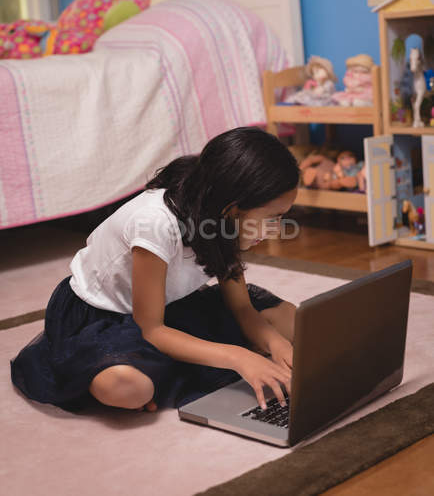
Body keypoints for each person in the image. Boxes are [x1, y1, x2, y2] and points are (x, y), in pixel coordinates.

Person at [10, 127, 300, 415]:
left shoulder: (224, 217)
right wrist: (240, 357)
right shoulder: (155, 225)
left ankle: (171, 368)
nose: (275, 230)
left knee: (294, 323)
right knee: (128, 388)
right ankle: (111, 368)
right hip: (107, 318)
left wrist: (275, 343)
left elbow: (241, 307)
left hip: (171, 306)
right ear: (233, 208)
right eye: (273, 217)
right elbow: (151, 329)